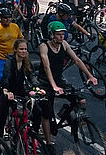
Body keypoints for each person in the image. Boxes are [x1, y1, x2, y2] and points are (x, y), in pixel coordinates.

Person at [38, 21, 98, 151]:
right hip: (45, 81)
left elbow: (76, 60)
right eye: (58, 35)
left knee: (79, 99)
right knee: (46, 113)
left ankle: (66, 114)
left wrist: (90, 76)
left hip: (58, 79)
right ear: (52, 35)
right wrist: (53, 85)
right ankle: (48, 142)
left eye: (63, 34)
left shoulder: (64, 44)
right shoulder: (44, 46)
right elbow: (46, 66)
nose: (62, 37)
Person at [0, 38, 37, 141]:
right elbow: (6, 77)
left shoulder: (26, 60)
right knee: (2, 118)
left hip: (19, 91)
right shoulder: (10, 61)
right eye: (21, 49)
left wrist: (37, 87)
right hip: (8, 92)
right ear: (15, 50)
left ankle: (31, 138)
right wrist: (6, 90)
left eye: (25, 49)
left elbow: (31, 75)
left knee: (37, 111)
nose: (24, 51)